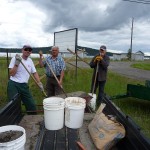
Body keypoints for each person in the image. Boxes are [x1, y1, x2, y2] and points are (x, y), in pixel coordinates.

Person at [7, 45, 44, 114]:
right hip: (14, 84)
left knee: (31, 105)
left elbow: (34, 72)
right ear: (22, 50)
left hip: (24, 85)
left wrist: (39, 83)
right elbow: (11, 74)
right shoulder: (15, 59)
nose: (28, 51)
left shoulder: (30, 61)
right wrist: (16, 64)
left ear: (31, 52)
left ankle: (32, 119)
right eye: (26, 49)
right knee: (14, 105)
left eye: (29, 50)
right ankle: (15, 121)